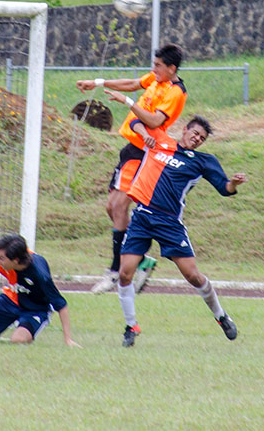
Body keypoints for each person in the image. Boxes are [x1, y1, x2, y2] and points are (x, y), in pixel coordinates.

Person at [115, 115, 245, 347]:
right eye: (195, 134)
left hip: (169, 223)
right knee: (125, 274)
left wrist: (234, 182)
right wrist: (145, 135)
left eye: (202, 138)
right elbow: (135, 120)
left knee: (193, 276)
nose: (197, 139)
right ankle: (131, 326)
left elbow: (225, 189)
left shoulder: (203, 161)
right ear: (184, 130)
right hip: (142, 216)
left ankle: (221, 316)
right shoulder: (161, 140)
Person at [77, 43, 187, 294]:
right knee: (111, 207)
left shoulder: (175, 93)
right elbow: (133, 83)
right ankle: (140, 259)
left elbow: (156, 121)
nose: (154, 69)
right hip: (131, 148)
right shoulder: (156, 80)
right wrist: (97, 82)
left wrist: (127, 103)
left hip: (145, 152)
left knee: (118, 207)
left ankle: (115, 272)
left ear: (171, 68)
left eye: (158, 65)